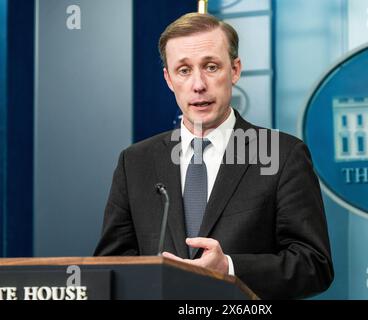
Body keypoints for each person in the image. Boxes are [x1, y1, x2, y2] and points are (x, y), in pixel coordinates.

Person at [94, 12, 333, 299]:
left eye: (210, 67)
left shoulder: (282, 155)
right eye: (184, 70)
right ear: (169, 79)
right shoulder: (135, 162)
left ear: (234, 70)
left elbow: (314, 265)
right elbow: (112, 267)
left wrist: (229, 268)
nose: (198, 85)